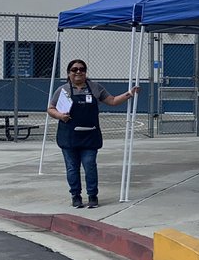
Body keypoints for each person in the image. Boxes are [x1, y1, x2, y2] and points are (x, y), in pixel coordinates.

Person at [47, 59, 139, 209]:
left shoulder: (95, 88)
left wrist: (129, 93)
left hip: (90, 136)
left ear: (85, 72)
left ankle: (92, 196)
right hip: (69, 137)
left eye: (81, 69)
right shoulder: (63, 90)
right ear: (68, 73)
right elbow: (50, 108)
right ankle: (76, 196)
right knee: (72, 168)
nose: (78, 72)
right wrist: (60, 116)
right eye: (74, 69)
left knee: (89, 165)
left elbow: (113, 100)